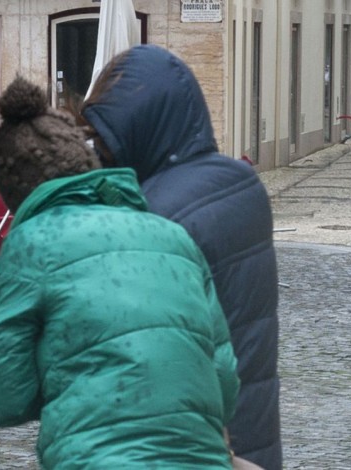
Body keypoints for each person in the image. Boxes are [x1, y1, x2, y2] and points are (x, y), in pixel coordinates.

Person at [0, 76, 239, 468]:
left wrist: (23, 339)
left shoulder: (30, 243)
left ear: (15, 195)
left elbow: (0, 400)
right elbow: (224, 381)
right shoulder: (174, 238)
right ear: (86, 163)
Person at [81, 44, 281, 469]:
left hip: (184, 445)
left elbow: (120, 346)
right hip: (251, 430)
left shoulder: (156, 215)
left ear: (140, 126)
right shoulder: (242, 183)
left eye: (104, 137)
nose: (100, 151)